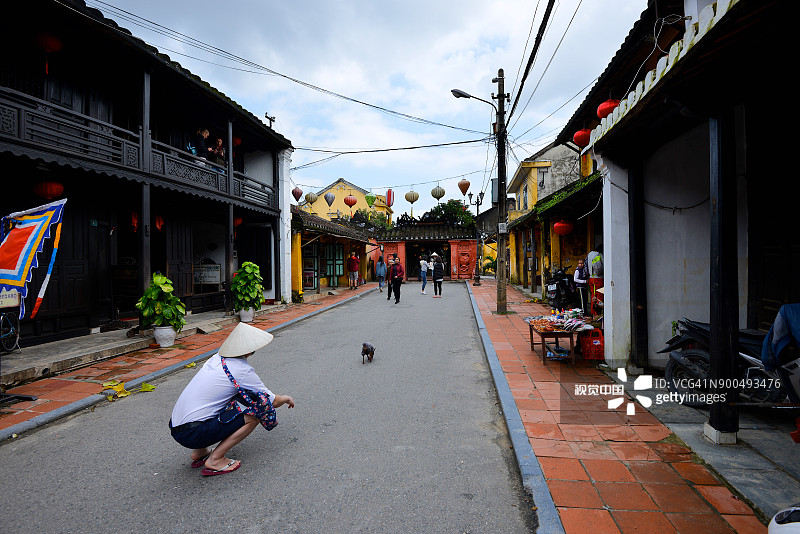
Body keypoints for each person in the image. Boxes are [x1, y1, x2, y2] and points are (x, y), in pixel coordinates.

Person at [169, 322, 295, 476]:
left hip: (176, 427)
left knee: (222, 402)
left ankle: (200, 452)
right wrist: (286, 398)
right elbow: (272, 401)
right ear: (249, 350)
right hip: (192, 433)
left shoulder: (215, 358)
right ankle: (215, 459)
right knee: (253, 416)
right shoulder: (241, 370)